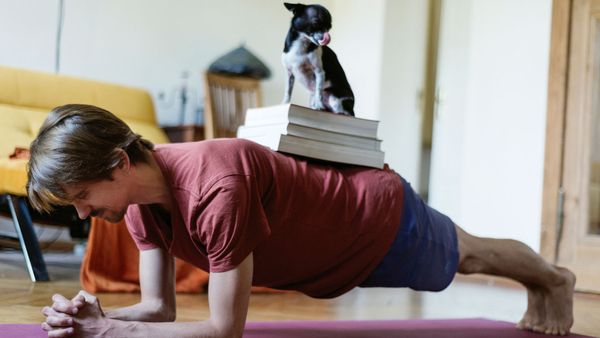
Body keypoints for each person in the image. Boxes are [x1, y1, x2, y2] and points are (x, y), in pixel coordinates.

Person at [30, 104, 575, 338]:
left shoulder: (214, 187)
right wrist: (100, 317)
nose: (82, 214)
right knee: (466, 253)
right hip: (324, 258)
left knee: (468, 255)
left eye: (82, 196)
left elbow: (225, 330)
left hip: (371, 220)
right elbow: (158, 308)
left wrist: (109, 333)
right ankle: (549, 279)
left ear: (120, 163)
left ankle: (553, 279)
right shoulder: (140, 206)